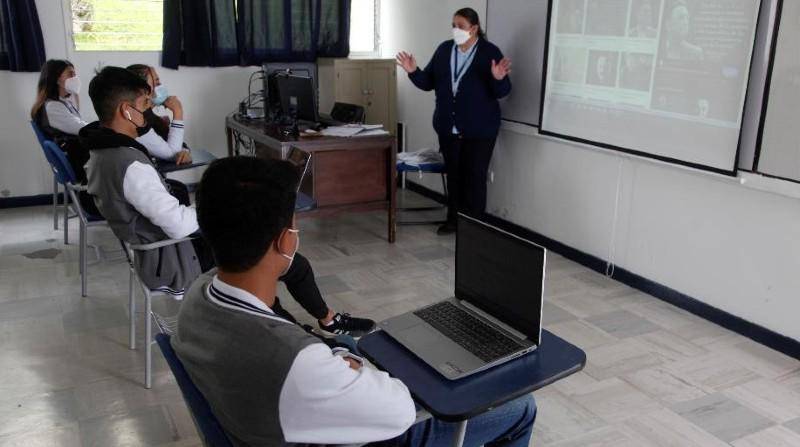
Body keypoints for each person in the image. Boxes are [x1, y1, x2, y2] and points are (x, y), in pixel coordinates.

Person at [173, 155, 538, 446]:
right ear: (285, 242)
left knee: (350, 343)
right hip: (325, 424)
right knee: (520, 408)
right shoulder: (296, 362)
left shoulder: (197, 295)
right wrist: (349, 364)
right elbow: (398, 412)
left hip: (260, 411)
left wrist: (339, 356)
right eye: (295, 224)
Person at [79, 66, 374, 337]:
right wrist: (221, 208)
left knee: (279, 259)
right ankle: (307, 333)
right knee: (282, 263)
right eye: (143, 106)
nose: (147, 112)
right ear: (126, 110)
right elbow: (178, 224)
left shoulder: (101, 153)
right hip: (174, 258)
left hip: (157, 251)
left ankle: (315, 325)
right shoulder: (130, 165)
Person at [397, 7, 512, 236]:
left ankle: (475, 227)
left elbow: (503, 90)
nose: (455, 30)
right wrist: (413, 71)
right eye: (453, 25)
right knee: (455, 176)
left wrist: (498, 78)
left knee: (475, 177)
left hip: (480, 130)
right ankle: (454, 221)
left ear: (474, 29)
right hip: (448, 128)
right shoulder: (444, 50)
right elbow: (428, 81)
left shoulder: (489, 52)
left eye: (460, 26)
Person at [31, 59, 90, 182]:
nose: (75, 78)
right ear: (56, 79)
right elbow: (81, 129)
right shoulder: (53, 107)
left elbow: (78, 125)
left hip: (76, 156)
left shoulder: (62, 102)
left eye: (75, 74)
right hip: (77, 161)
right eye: (70, 74)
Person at [126, 64, 192, 164]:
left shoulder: (149, 116)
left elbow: (180, 146)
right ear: (142, 90)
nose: (161, 86)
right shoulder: (137, 122)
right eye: (156, 83)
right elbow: (172, 153)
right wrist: (178, 112)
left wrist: (185, 152)